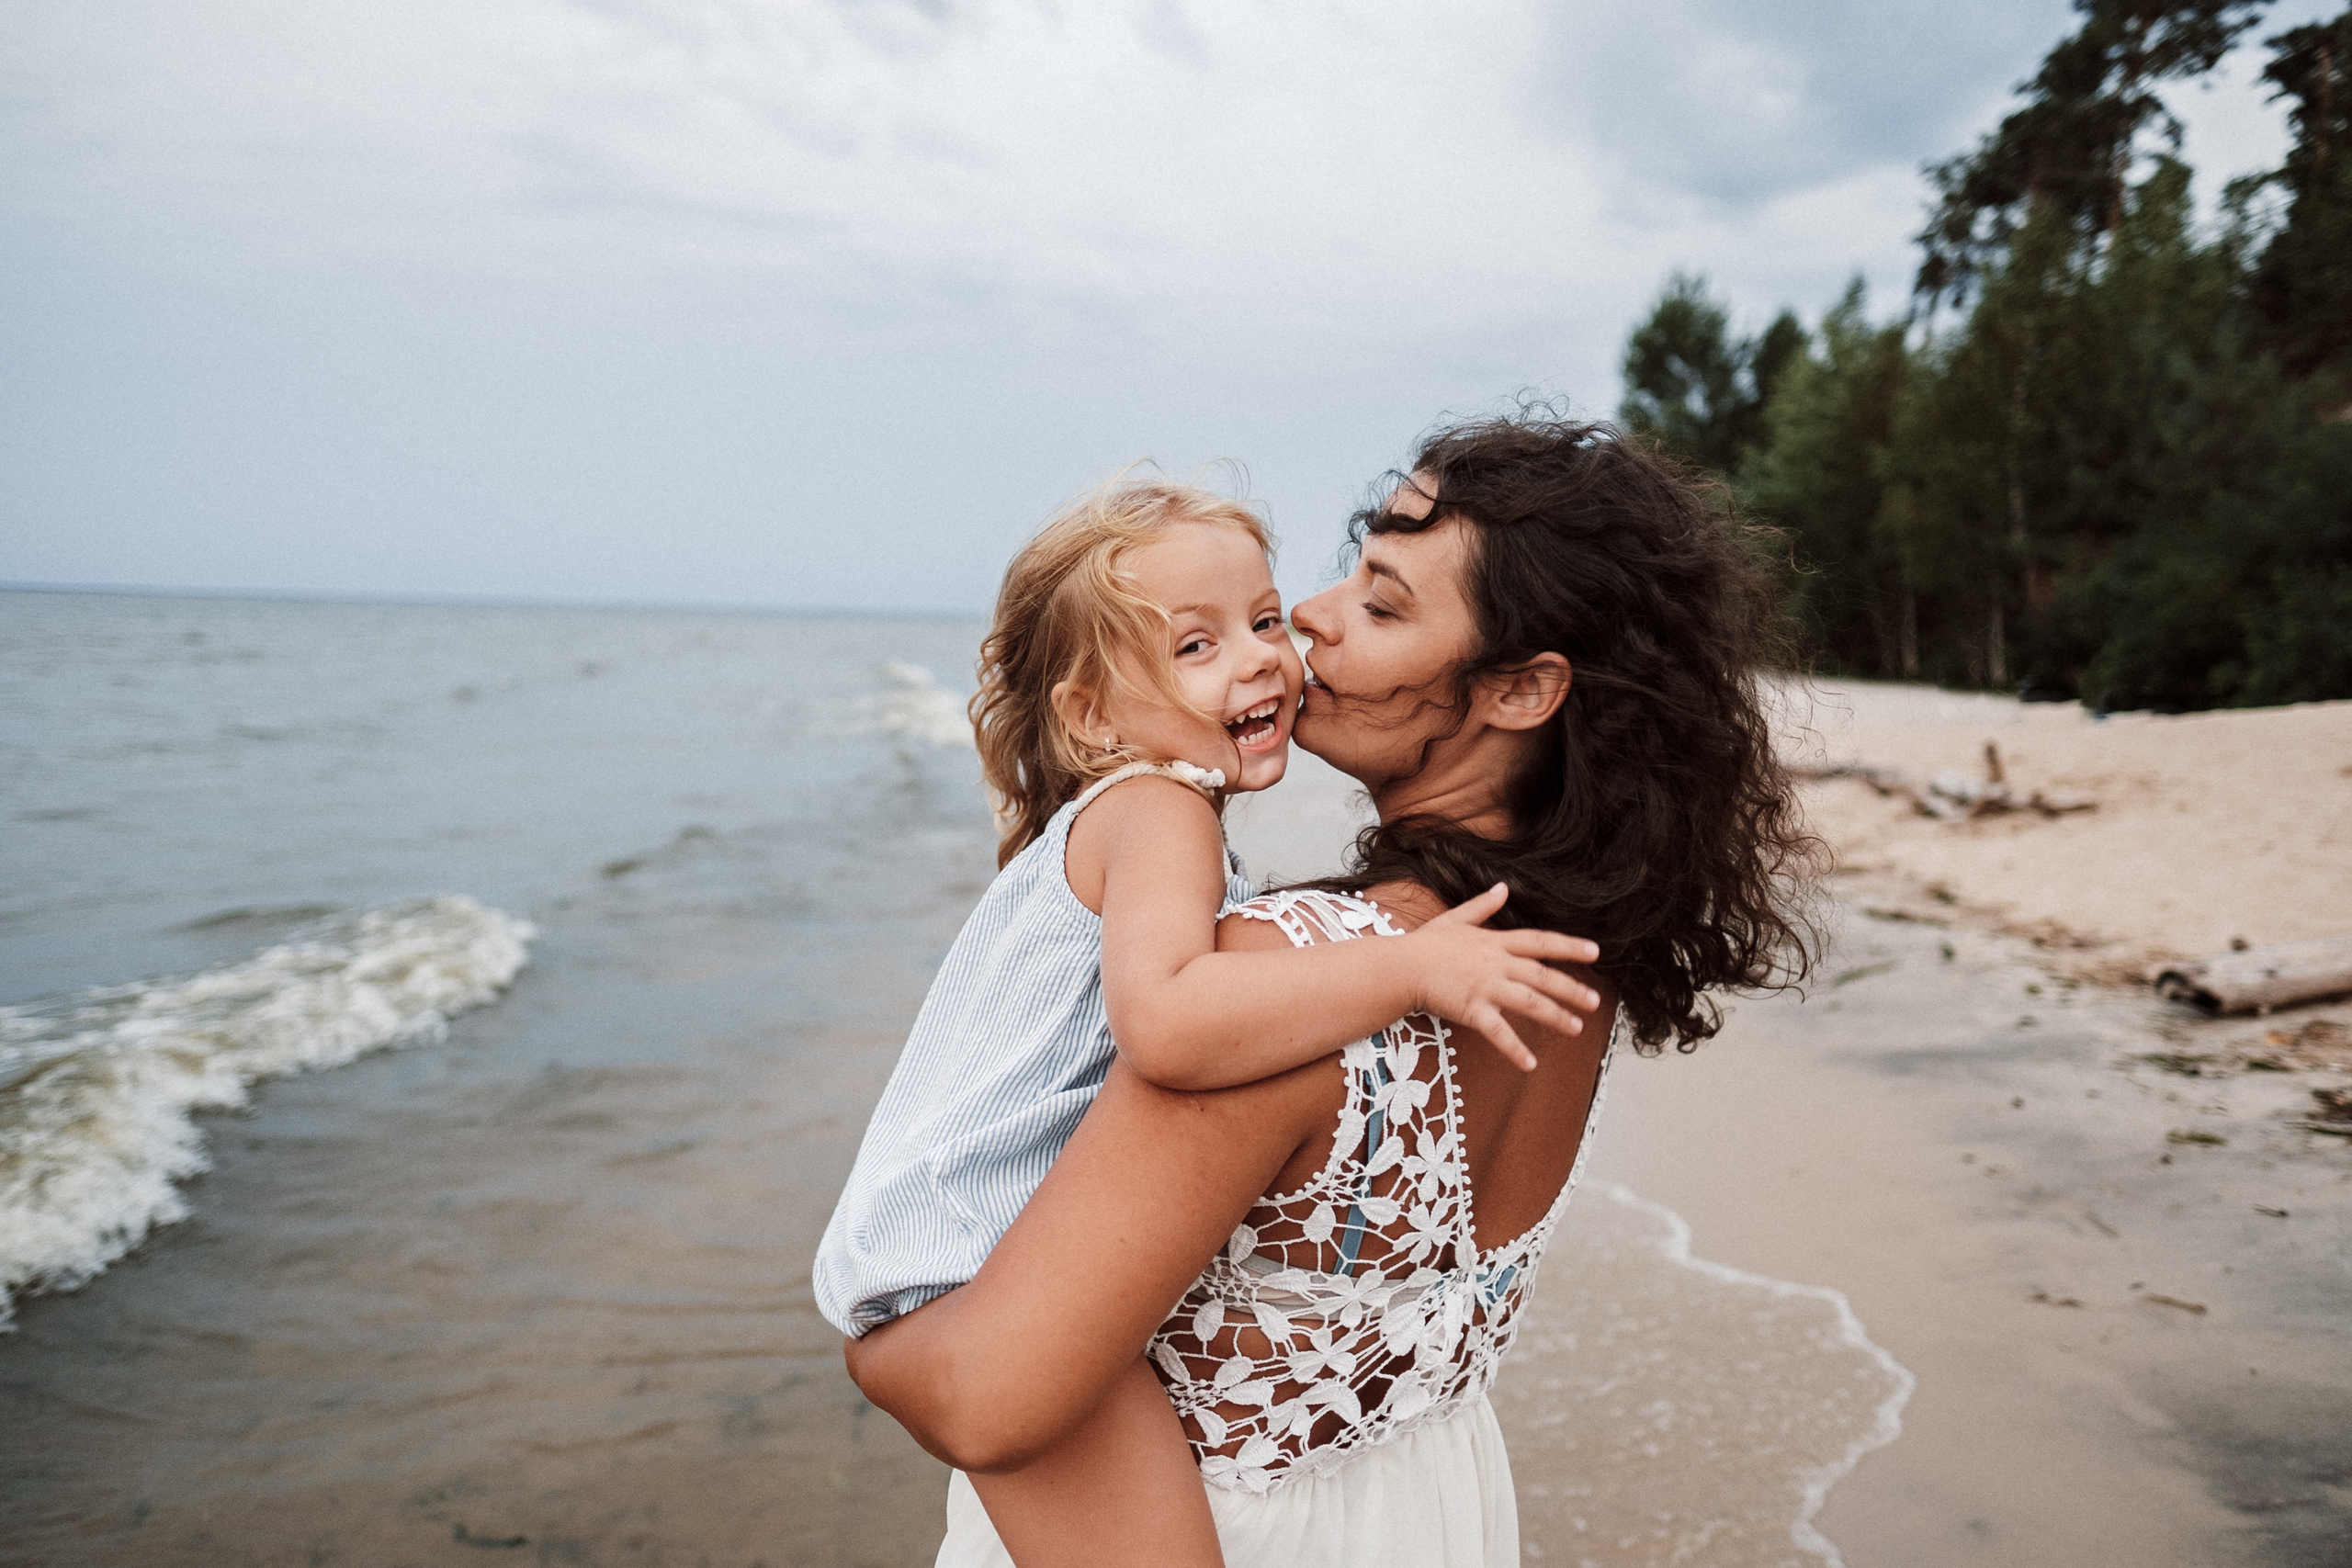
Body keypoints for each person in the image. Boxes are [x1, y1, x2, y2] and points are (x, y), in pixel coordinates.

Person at [843, 414, 1822, 1567]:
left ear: (1519, 691)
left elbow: (987, 1403)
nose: (1308, 617)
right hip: (1427, 1510)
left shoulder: (1281, 975)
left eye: (1383, 602)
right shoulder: (1562, 955)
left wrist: (874, 1346)